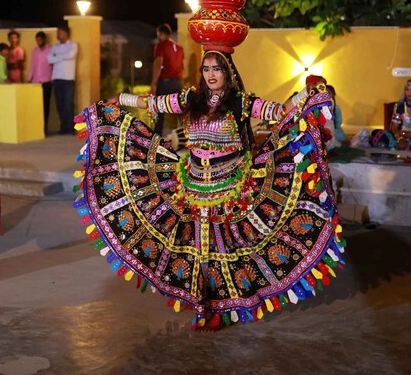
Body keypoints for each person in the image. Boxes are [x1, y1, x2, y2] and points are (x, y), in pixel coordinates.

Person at [73, 49, 342, 332]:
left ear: (227, 73)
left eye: (216, 69)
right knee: (199, 249)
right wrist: (122, 100)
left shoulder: (240, 101)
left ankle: (229, 304)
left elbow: (280, 112)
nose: (211, 74)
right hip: (191, 183)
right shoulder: (192, 98)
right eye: (206, 69)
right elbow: (154, 104)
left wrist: (306, 95)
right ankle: (204, 306)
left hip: (233, 185)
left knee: (231, 246)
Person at [149, 23, 185, 136]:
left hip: (165, 82)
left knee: (159, 108)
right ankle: (185, 134)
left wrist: (154, 83)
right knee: (179, 109)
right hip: (177, 82)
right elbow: (181, 67)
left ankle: (157, 136)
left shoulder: (161, 46)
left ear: (160, 34)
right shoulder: (179, 48)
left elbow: (158, 64)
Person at [47, 24, 78, 135]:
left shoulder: (73, 45)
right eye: (58, 33)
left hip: (68, 78)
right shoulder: (54, 47)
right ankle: (63, 127)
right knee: (59, 104)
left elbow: (70, 55)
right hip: (56, 78)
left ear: (66, 34)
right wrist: (61, 57)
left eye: (61, 33)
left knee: (68, 103)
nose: (59, 35)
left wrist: (57, 57)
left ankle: (70, 128)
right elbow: (49, 59)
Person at [27, 30, 53, 133]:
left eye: (40, 40)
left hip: (46, 81)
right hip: (36, 81)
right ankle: (36, 128)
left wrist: (51, 79)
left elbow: (52, 65)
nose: (38, 42)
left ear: (44, 40)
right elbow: (33, 64)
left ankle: (44, 128)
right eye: (37, 40)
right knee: (36, 106)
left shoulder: (50, 49)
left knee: (45, 106)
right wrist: (29, 78)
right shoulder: (34, 50)